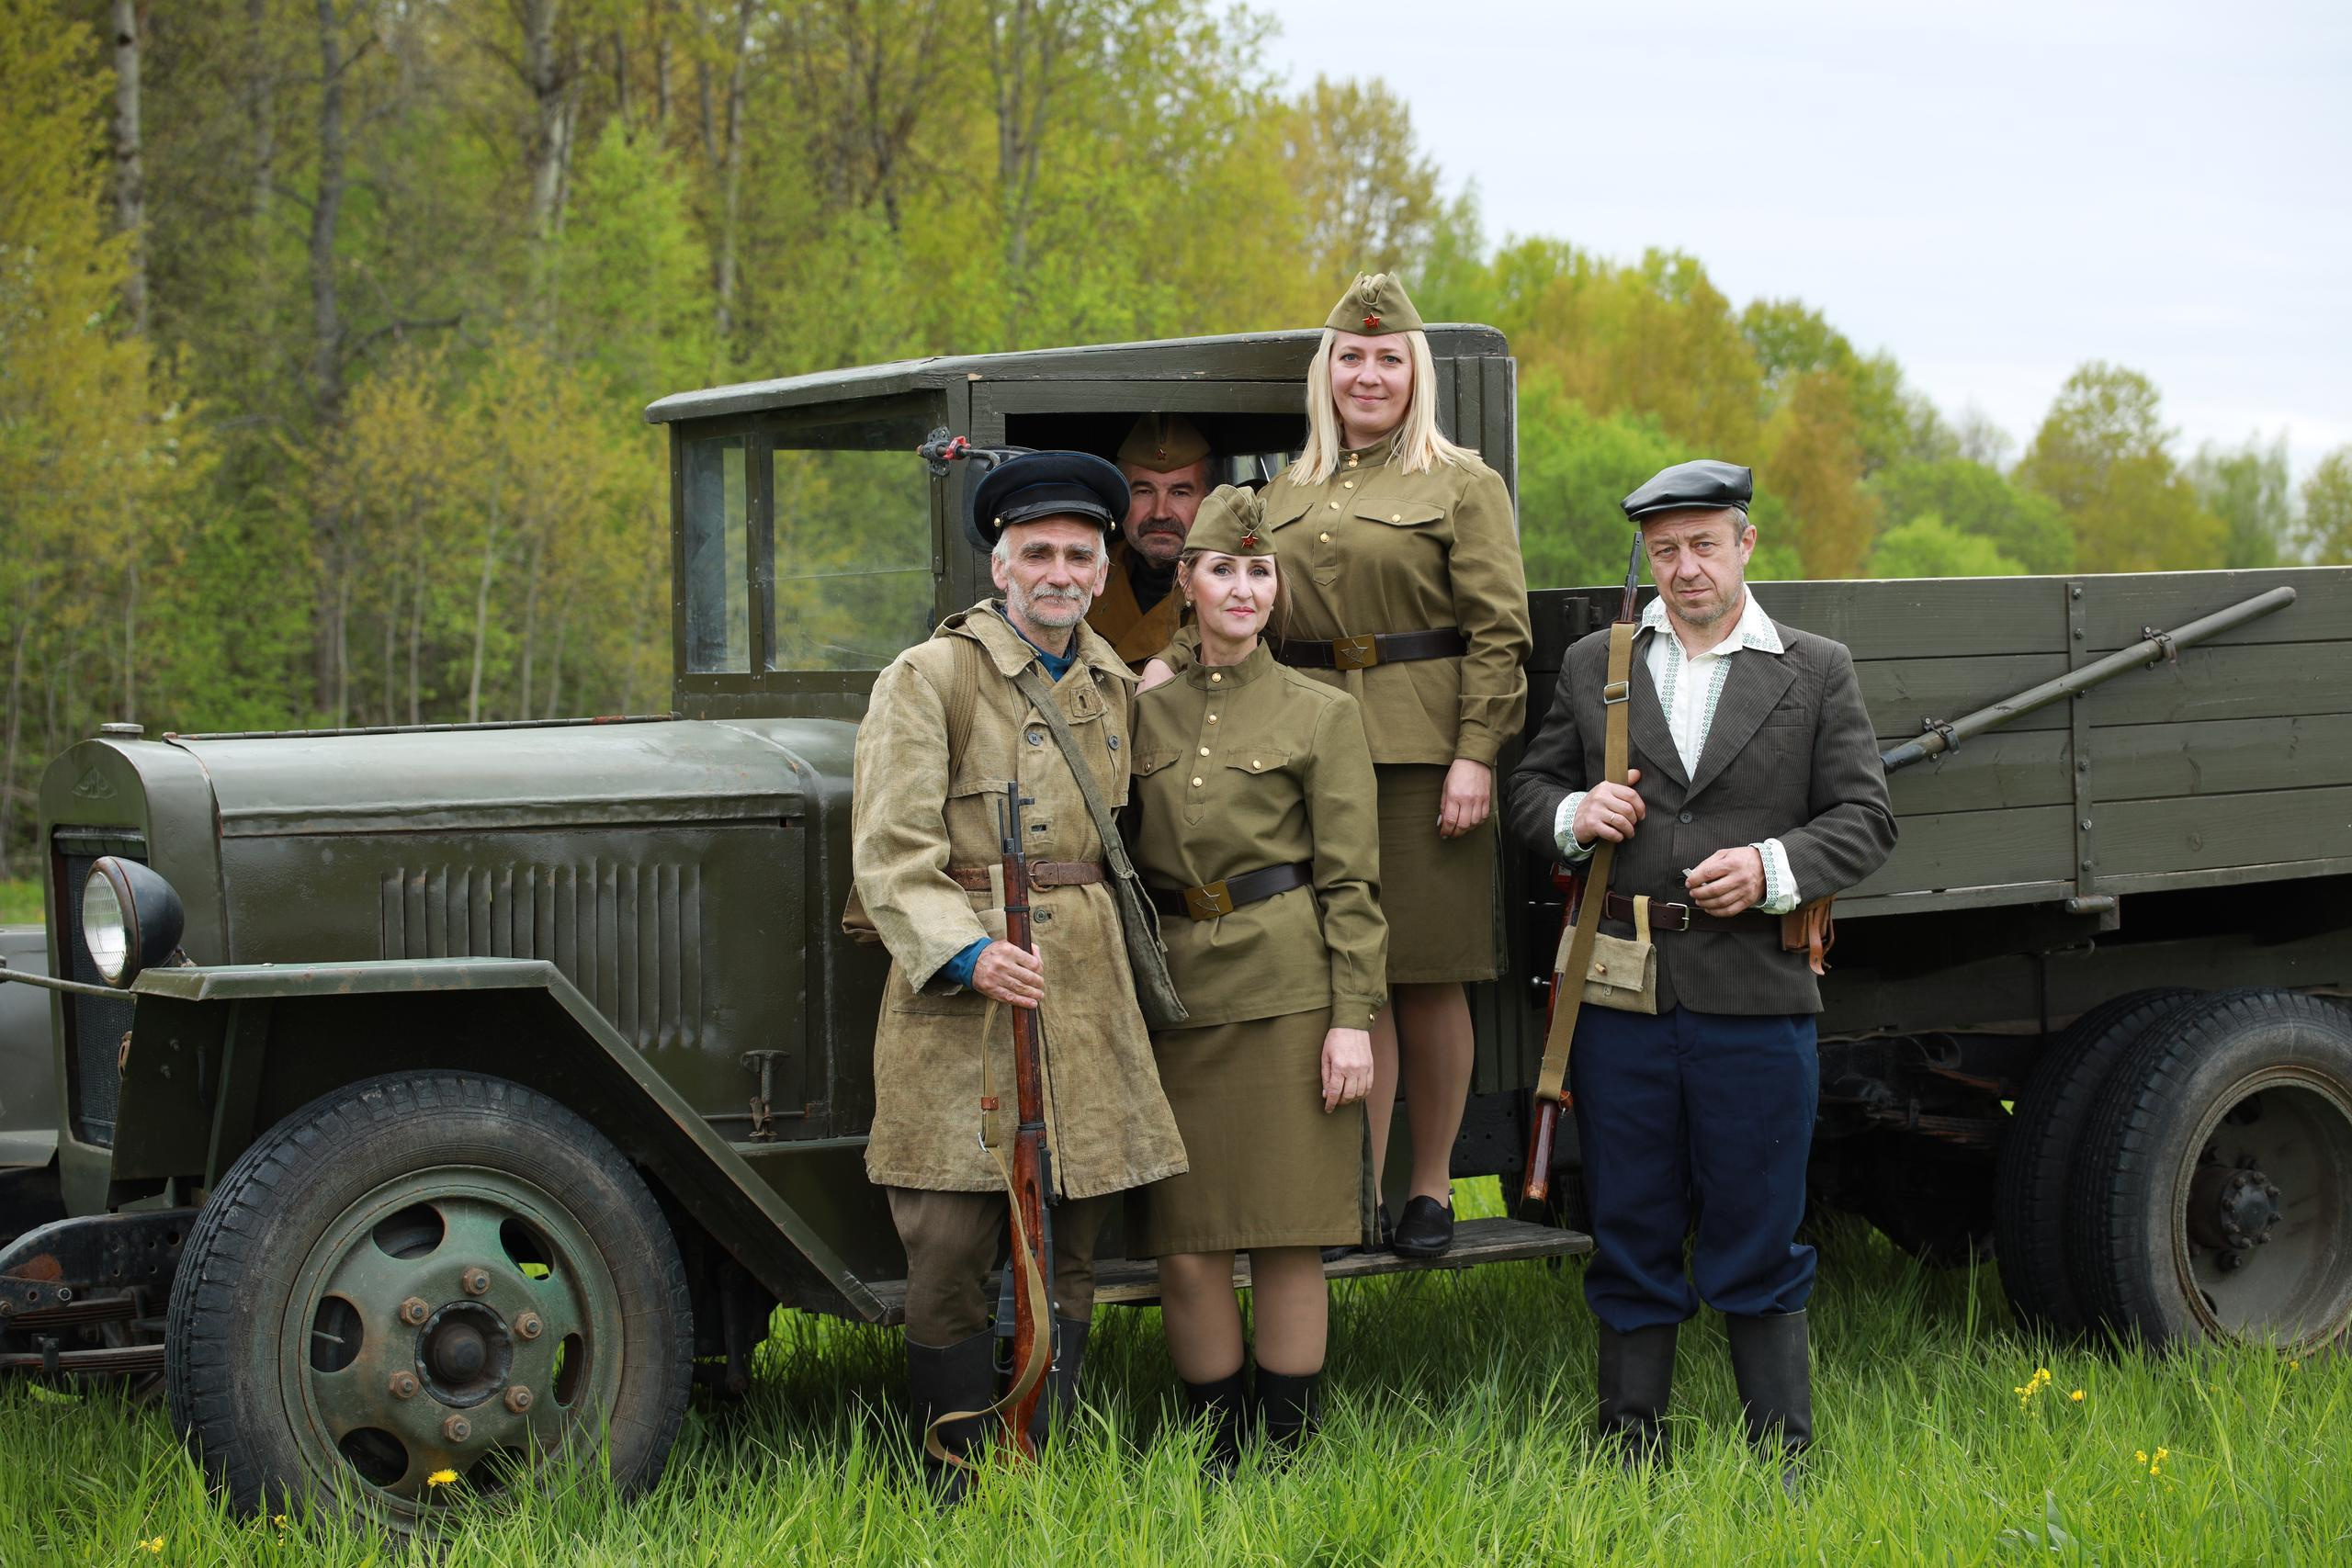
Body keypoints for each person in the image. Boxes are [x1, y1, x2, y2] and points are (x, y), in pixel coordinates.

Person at [1504, 460, 1896, 1479]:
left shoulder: (1814, 668)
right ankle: (1629, 1448)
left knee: (1759, 1224)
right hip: (1621, 996)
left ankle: (1783, 1458)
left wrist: (1771, 869)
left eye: (1704, 546)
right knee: (1628, 1220)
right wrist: (1571, 815)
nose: (1685, 569)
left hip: (1756, 996)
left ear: (1745, 546)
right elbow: (1529, 788)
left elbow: (1865, 818)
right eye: (1666, 550)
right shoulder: (1599, 662)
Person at [850, 448, 1188, 1493]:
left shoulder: (1113, 683)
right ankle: (956, 1471)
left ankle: (1042, 1453)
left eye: (1077, 555)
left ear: (1100, 570)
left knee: (1069, 1232)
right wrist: (965, 950)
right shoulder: (929, 676)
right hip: (960, 995)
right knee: (949, 1240)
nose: (1057, 571)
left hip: (1082, 983)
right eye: (1034, 551)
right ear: (999, 568)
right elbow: (887, 848)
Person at [1256, 272, 1532, 1258]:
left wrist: (1476, 755)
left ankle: (1430, 1189)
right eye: (1350, 357)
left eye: (1387, 359)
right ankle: (1355, 1194)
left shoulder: (1459, 482)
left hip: (1423, 757)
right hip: (1309, 754)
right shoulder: (1280, 492)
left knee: (1425, 975)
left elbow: (1499, 632)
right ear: (1324, 372)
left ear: (1414, 374)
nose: (1367, 374)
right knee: (1347, 977)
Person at [1127, 486, 1385, 1468]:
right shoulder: (1136, 712)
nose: (1243, 588)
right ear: (1185, 581)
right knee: (1187, 1245)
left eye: (1260, 570)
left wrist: (1350, 1017)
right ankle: (1214, 1448)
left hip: (1288, 990)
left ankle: (1282, 1451)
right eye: (1222, 568)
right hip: (1176, 1001)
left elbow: (1352, 879)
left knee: (1285, 1234)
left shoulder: (1322, 714)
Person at [1087, 413, 1214, 670]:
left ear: (1208, 500)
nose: (1160, 512)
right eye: (1144, 491)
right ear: (1121, 500)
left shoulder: (1232, 586)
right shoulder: (1082, 574)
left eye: (1180, 492)